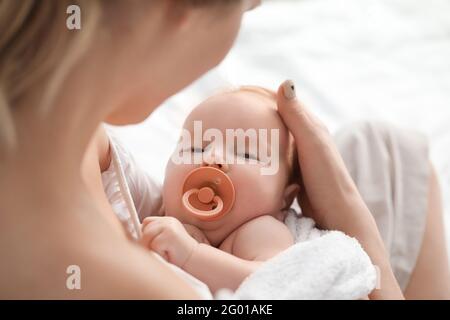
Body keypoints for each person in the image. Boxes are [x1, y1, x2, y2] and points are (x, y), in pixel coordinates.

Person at [0, 0, 448, 299]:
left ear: (288, 192)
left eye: (248, 153)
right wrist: (364, 242)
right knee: (390, 158)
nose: (211, 159)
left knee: (381, 146)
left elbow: (144, 200)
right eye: (246, 6)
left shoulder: (79, 145)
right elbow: (282, 288)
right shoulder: (128, 285)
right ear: (180, 10)